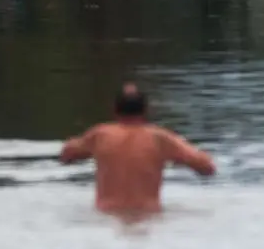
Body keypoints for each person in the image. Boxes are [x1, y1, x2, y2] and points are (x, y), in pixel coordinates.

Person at [59, 82, 215, 217]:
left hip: (105, 216)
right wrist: (181, 158)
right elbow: (207, 167)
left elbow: (66, 155)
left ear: (114, 109)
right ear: (146, 110)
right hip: (148, 217)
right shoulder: (160, 138)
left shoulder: (100, 135)